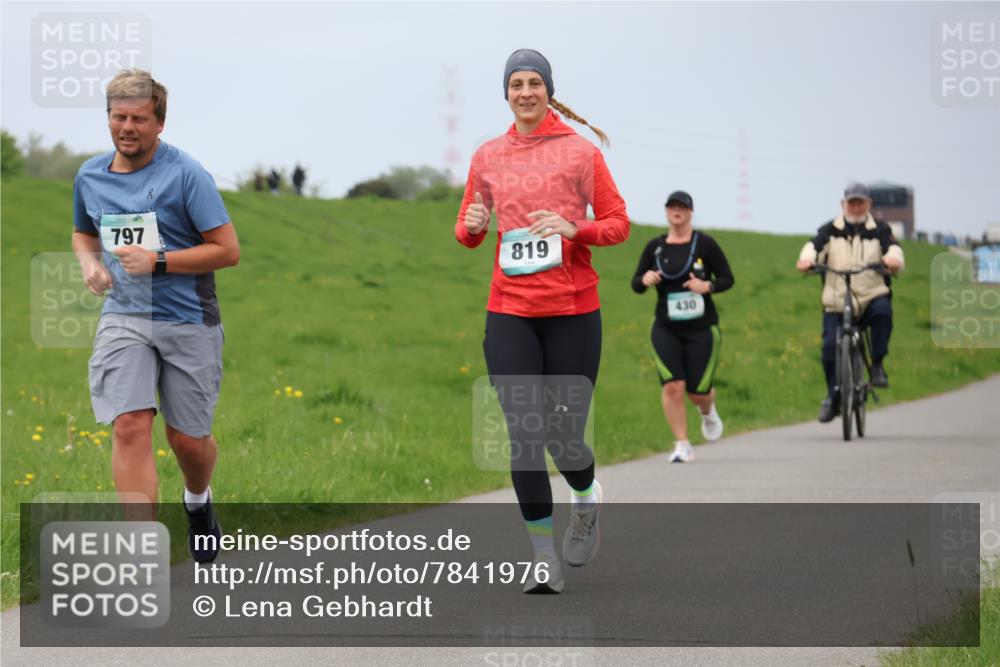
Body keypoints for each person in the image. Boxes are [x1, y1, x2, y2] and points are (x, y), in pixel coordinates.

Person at [455, 48, 630, 594]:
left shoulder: (580, 154)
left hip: (573, 311)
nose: (525, 92)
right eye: (516, 84)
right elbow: (467, 230)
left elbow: (619, 223)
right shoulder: (487, 156)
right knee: (524, 437)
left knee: (563, 438)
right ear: (505, 93)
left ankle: (586, 496)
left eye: (535, 83)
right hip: (509, 310)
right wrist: (475, 223)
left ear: (548, 91)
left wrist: (577, 230)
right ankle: (540, 557)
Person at [71, 69, 240, 562]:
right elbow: (83, 231)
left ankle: (197, 501)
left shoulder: (187, 174)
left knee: (188, 441)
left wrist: (159, 261)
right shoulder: (90, 175)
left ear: (159, 123)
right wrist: (89, 263)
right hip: (123, 316)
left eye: (139, 119)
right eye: (119, 117)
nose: (128, 127)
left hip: (187, 317)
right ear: (108, 119)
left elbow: (227, 251)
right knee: (129, 424)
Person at [631, 191, 734, 463]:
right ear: (666, 212)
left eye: (682, 207)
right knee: (673, 386)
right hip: (666, 327)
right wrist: (646, 278)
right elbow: (635, 283)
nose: (677, 211)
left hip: (702, 328)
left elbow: (727, 278)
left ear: (690, 212)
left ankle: (708, 411)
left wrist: (707, 286)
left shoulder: (705, 244)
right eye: (672, 207)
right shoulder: (655, 247)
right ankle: (682, 444)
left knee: (698, 391)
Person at [796, 182, 904, 422]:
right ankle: (834, 396)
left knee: (883, 313)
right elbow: (812, 247)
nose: (855, 207)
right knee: (828, 350)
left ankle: (876, 365)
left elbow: (894, 250)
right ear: (843, 204)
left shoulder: (881, 230)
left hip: (870, 294)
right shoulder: (830, 230)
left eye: (860, 202)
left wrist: (892, 261)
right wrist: (806, 261)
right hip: (837, 299)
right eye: (851, 202)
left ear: (869, 205)